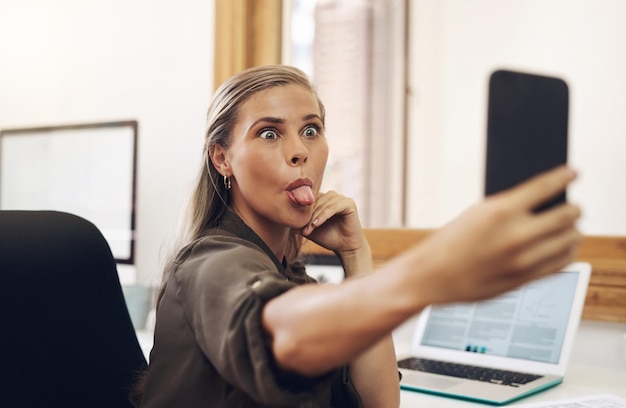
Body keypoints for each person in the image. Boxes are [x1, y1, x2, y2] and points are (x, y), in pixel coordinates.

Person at [136, 65, 581, 408]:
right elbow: (281, 335)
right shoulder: (211, 261)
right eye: (269, 133)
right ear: (222, 159)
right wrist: (428, 273)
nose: (299, 151)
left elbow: (381, 402)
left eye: (311, 130)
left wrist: (356, 255)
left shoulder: (290, 274)